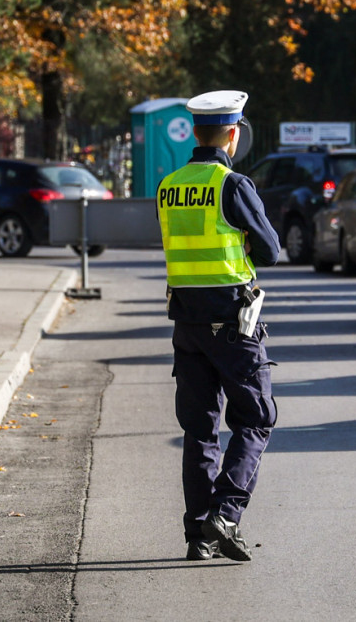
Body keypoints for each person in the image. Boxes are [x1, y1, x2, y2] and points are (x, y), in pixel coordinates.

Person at [155, 89, 281, 562]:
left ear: (195, 131)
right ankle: (225, 516)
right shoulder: (233, 185)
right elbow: (270, 251)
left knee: (200, 430)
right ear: (233, 134)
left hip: (186, 326)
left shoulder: (169, 186)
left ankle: (199, 536)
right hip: (232, 324)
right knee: (256, 417)